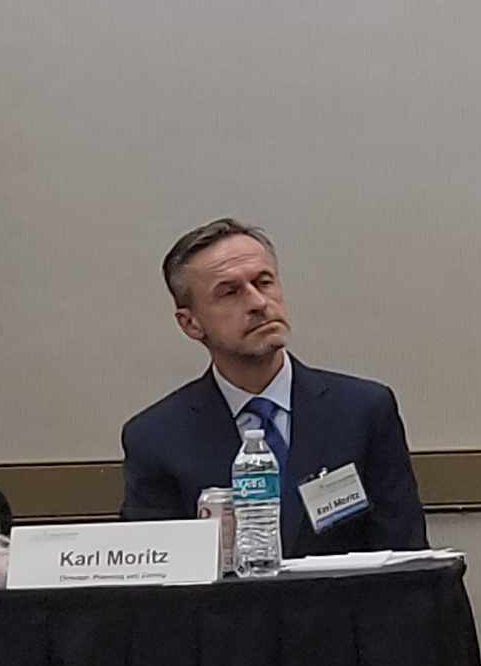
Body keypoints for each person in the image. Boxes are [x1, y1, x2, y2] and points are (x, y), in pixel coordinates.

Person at [119, 218, 426, 556]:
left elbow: (405, 561)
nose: (258, 303)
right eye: (230, 292)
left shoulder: (363, 411)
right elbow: (157, 583)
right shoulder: (156, 438)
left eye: (264, 282)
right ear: (191, 323)